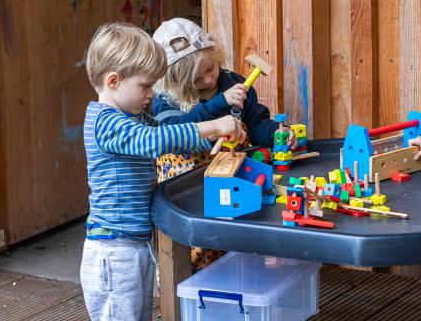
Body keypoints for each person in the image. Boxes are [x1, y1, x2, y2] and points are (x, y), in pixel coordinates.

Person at [80, 22, 244, 321]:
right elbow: (155, 141)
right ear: (114, 81)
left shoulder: (134, 117)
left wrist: (213, 134)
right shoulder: (107, 121)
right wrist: (212, 126)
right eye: (145, 86)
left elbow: (171, 133)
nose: (152, 95)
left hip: (133, 242)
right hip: (114, 250)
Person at [151, 17, 297, 181]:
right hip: (184, 184)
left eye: (210, 68)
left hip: (233, 177)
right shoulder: (167, 98)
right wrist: (219, 103)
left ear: (215, 54)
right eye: (196, 80)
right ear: (175, 83)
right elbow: (171, 134)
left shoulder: (234, 83)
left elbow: (255, 123)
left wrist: (274, 133)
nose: (208, 80)